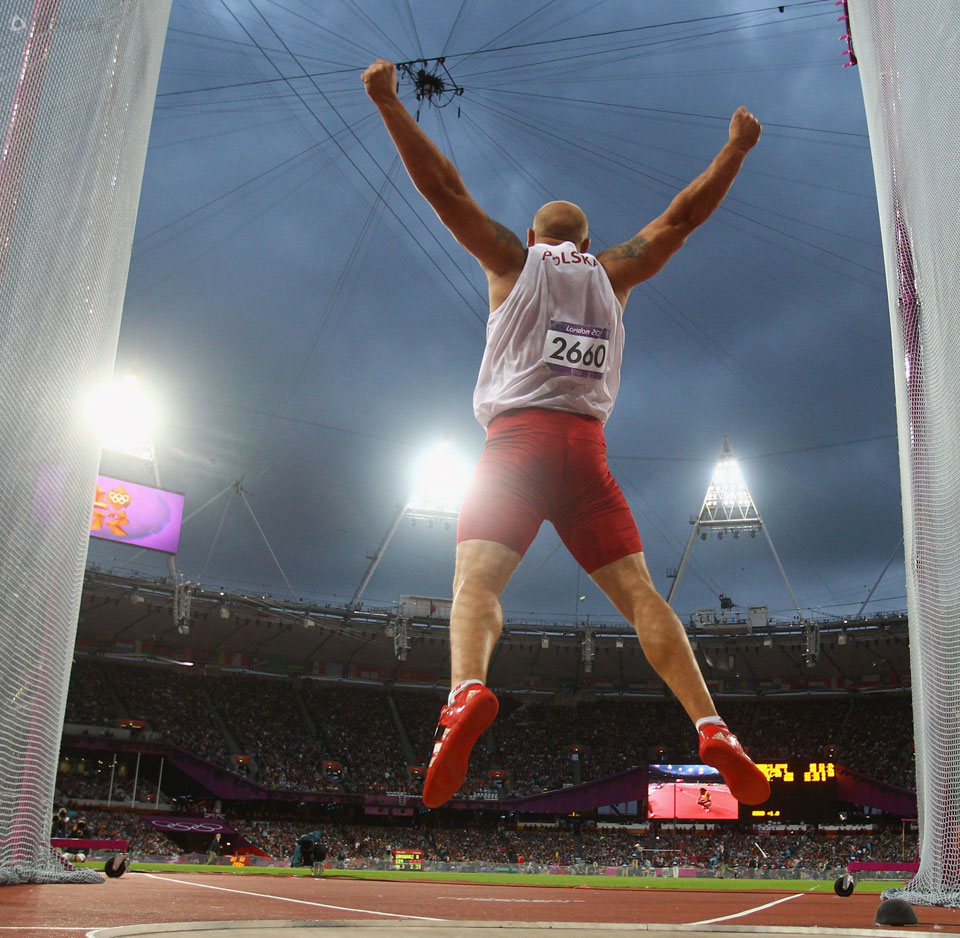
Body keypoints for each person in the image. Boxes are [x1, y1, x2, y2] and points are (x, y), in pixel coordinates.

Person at [362, 58, 770, 811]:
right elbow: (682, 217)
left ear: (532, 235)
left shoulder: (512, 263)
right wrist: (736, 149)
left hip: (514, 447)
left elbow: (443, 190)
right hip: (587, 453)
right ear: (586, 240)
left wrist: (388, 102)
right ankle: (713, 726)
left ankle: (466, 692)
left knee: (475, 585)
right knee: (643, 595)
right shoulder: (615, 274)